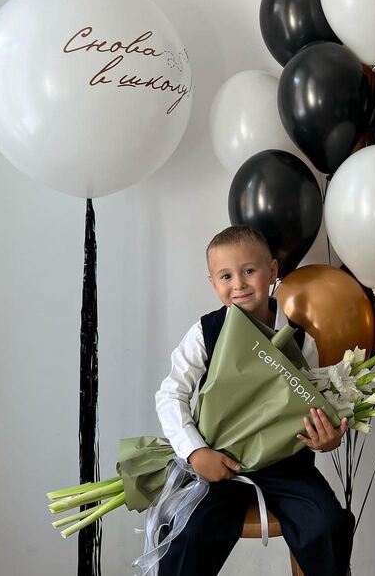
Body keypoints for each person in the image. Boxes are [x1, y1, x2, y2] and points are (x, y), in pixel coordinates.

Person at [156, 225, 355, 575]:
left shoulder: (301, 342)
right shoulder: (205, 333)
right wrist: (196, 452)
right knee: (187, 537)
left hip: (287, 467)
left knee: (328, 526)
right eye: (226, 276)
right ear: (213, 284)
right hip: (222, 464)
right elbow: (171, 393)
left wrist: (327, 440)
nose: (239, 284)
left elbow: (313, 407)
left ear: (272, 271)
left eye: (249, 271)